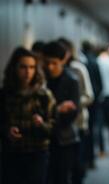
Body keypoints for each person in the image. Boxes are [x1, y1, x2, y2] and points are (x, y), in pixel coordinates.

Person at [0, 47, 55, 184]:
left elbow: (54, 128)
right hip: (12, 154)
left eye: (32, 67)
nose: (28, 72)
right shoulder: (5, 94)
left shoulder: (43, 95)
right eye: (23, 67)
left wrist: (41, 125)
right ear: (15, 68)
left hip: (37, 153)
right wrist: (7, 131)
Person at [43, 41, 81, 184]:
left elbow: (71, 114)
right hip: (43, 139)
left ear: (62, 61)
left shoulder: (72, 80)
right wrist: (57, 109)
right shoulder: (41, 80)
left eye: (54, 63)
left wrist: (47, 116)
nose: (50, 67)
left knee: (62, 177)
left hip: (64, 139)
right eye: (47, 63)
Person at [59, 38, 94, 183]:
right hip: (60, 125)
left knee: (77, 165)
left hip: (78, 123)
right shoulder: (54, 71)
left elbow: (89, 96)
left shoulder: (78, 69)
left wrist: (73, 104)